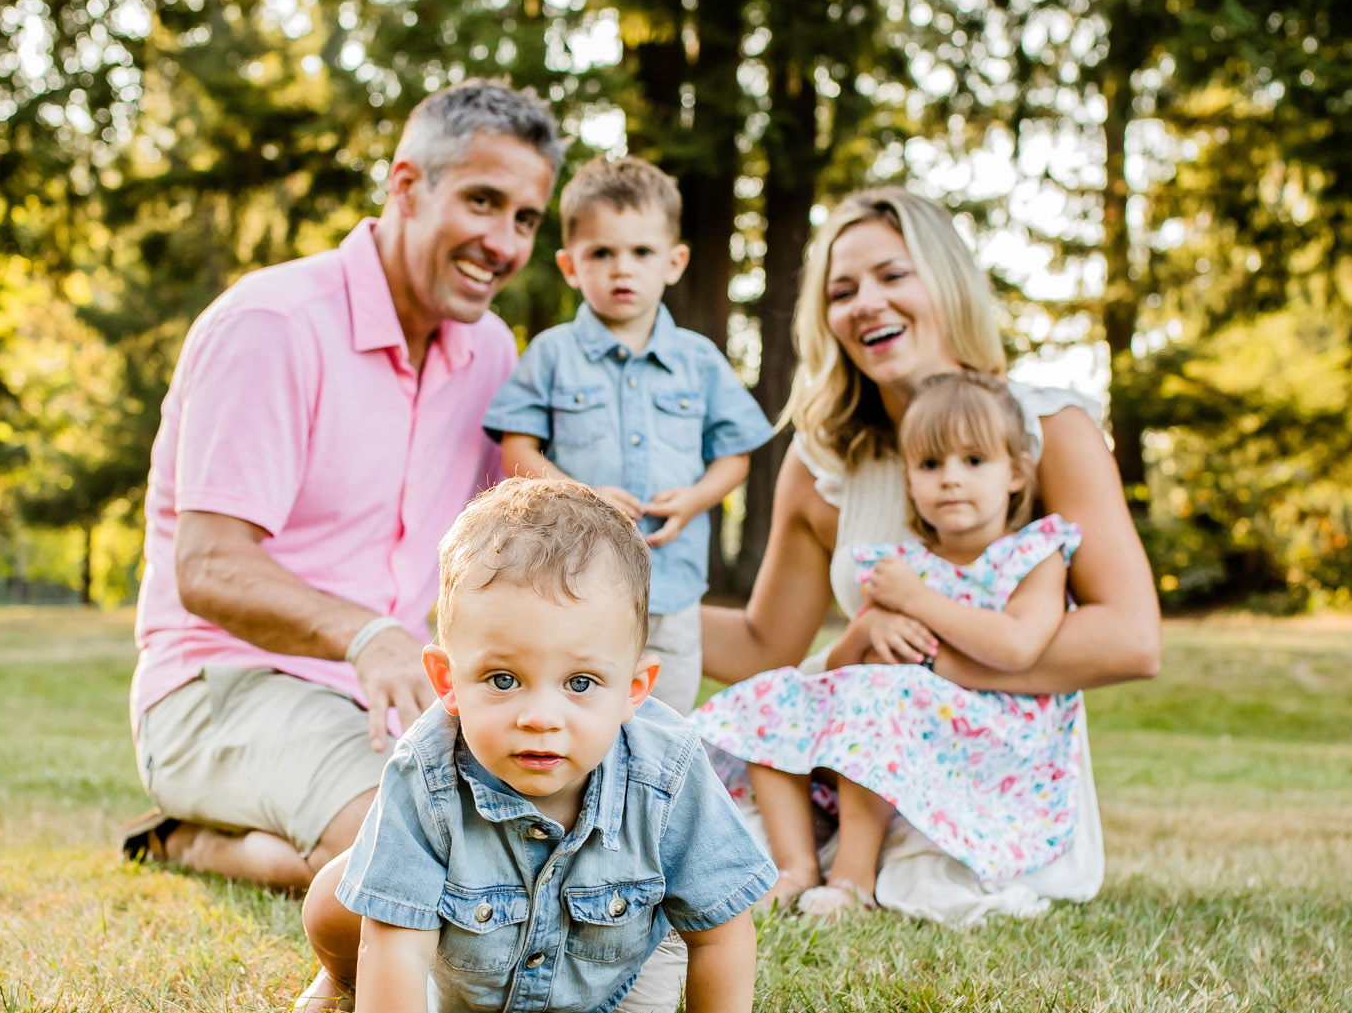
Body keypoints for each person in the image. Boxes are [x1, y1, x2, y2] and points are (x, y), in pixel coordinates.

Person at [127, 81, 560, 896]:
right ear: (406, 186)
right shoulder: (273, 325)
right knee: (416, 855)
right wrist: (368, 637)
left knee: (535, 833)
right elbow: (209, 566)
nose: (503, 242)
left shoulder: (495, 355)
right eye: (482, 201)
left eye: (526, 219)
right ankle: (192, 841)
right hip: (219, 685)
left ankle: (222, 840)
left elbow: (521, 545)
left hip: (391, 702)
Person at [701, 188, 1161, 924]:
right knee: (708, 813)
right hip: (853, 761)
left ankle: (865, 866)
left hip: (986, 771)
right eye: (841, 291)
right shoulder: (824, 461)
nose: (865, 304)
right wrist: (628, 615)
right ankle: (818, 863)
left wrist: (919, 655)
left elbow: (1131, 641)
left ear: (946, 281)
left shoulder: (1046, 429)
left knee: (927, 882)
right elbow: (765, 645)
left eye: (892, 275)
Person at [297, 480, 776, 1013]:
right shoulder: (426, 773)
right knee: (338, 895)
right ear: (448, 682)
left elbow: (721, 923)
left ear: (634, 689)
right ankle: (336, 981)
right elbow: (397, 945)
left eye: (581, 684)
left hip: (618, 959)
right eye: (502, 679)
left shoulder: (669, 768)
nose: (540, 718)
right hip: (463, 961)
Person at [695, 371, 1084, 914]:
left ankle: (854, 881)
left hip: (997, 738)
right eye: (930, 464)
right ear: (910, 479)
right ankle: (795, 867)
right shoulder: (901, 567)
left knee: (878, 694)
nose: (950, 479)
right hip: (899, 724)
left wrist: (917, 602)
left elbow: (1018, 647)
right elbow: (834, 676)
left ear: (1016, 473)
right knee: (771, 701)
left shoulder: (1032, 555)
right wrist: (864, 629)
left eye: (974, 462)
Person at [482, 153, 775, 712]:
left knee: (665, 728)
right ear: (571, 266)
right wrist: (578, 496)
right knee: (580, 720)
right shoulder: (552, 355)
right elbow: (516, 449)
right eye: (602, 254)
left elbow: (735, 457)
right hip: (573, 585)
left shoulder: (699, 360)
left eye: (641, 252)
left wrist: (695, 499)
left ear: (674, 261)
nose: (623, 269)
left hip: (672, 589)